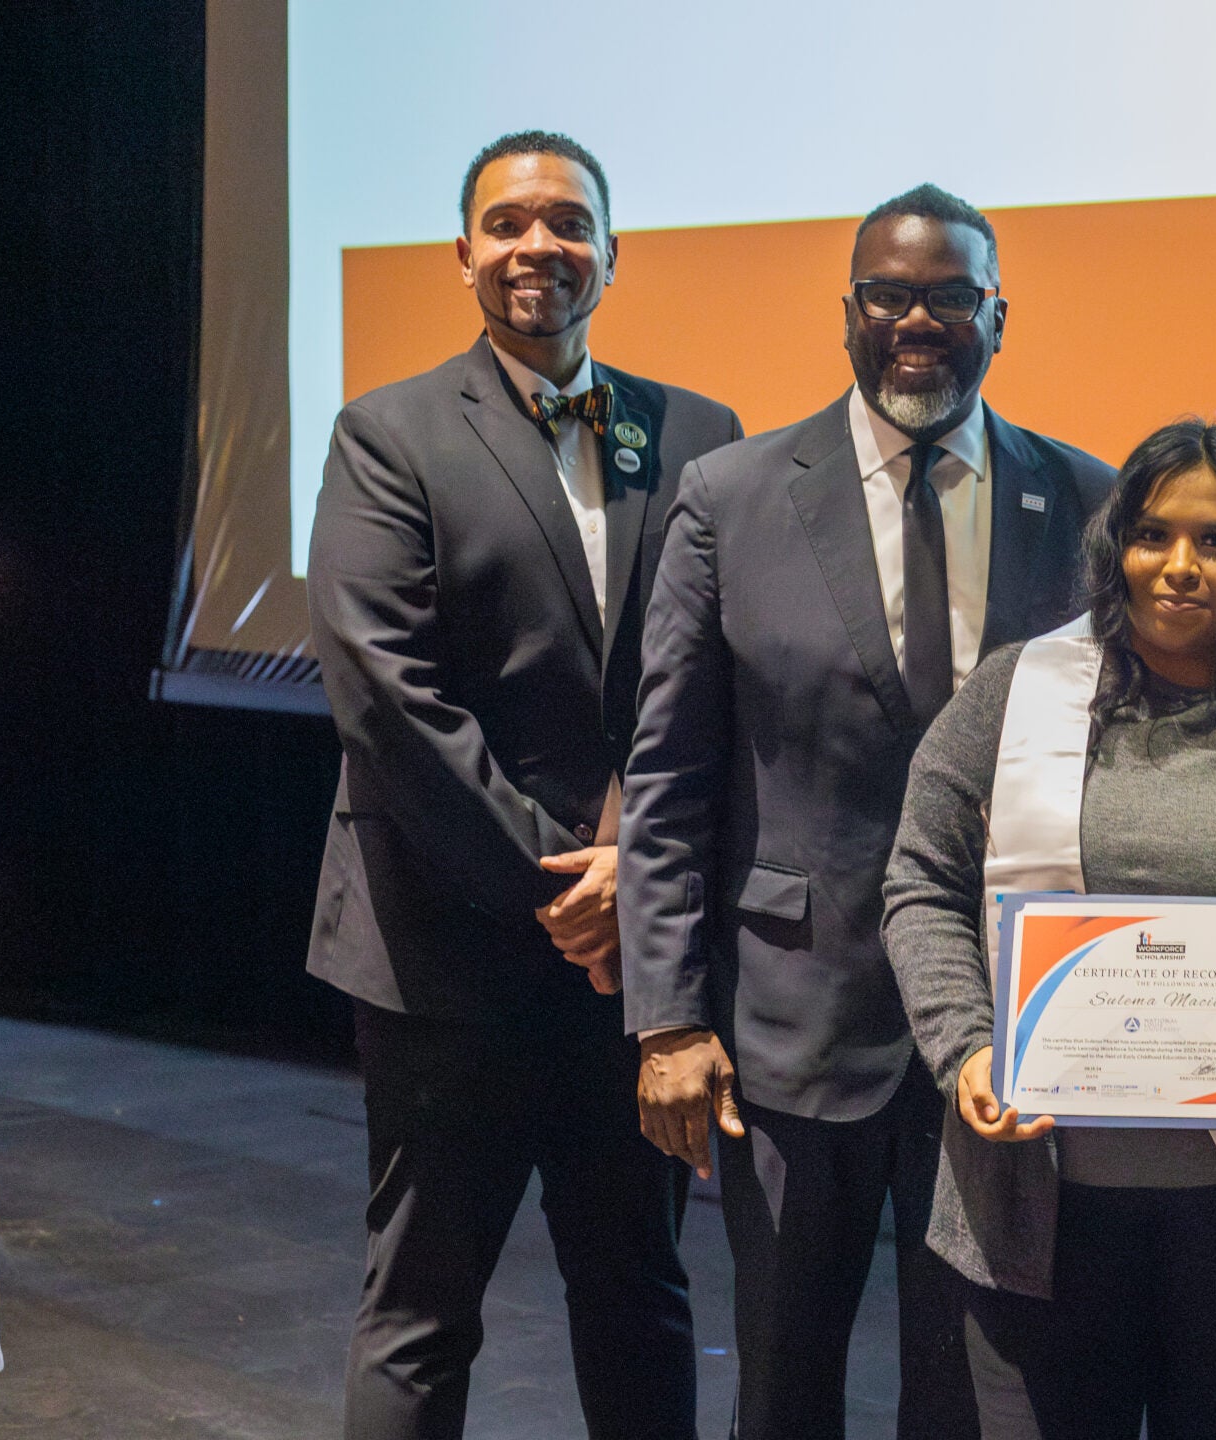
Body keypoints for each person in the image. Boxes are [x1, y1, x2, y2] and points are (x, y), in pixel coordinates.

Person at [619, 184, 1113, 1439]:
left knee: (969, 1394)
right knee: (784, 1383)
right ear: (848, 312)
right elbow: (670, 781)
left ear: (999, 316)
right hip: (793, 1023)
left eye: (950, 297)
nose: (918, 322)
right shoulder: (730, 494)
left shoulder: (1088, 499)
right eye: (890, 296)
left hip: (1005, 1029)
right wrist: (668, 1019)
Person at [305, 130, 742, 1440]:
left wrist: (639, 882)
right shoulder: (386, 433)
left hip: (636, 973)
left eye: (566, 222)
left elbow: (719, 686)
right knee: (422, 1315)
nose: (536, 245)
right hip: (443, 953)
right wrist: (570, 887)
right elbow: (386, 700)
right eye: (506, 224)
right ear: (463, 254)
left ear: (611, 252)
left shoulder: (702, 435)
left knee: (640, 1295)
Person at [881, 420, 1216, 1440]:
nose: (1180, 566)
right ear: (1116, 546)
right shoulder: (1013, 692)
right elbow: (922, 883)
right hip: (1037, 1213)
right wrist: (966, 1048)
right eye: (1153, 535)